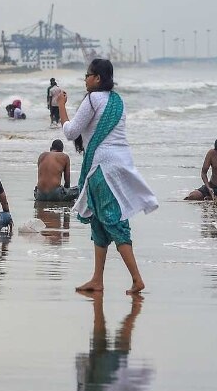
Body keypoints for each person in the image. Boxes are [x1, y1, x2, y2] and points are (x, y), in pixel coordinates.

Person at [58, 59, 158, 294]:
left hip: (101, 168)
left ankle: (137, 279)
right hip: (119, 165)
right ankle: (97, 279)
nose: (85, 79)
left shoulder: (93, 99)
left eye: (87, 75)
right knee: (99, 222)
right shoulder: (117, 101)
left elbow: (71, 132)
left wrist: (61, 105)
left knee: (114, 221)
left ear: (97, 79)